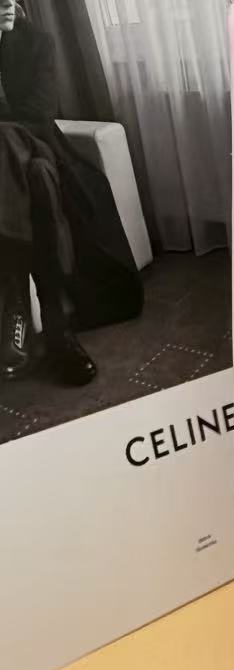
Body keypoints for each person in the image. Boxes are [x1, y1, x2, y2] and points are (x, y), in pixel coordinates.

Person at [0, 0, 142, 386]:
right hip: (27, 167)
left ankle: (14, 307)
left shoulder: (38, 42)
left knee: (24, 158)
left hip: (39, 147)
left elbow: (39, 114)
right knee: (37, 176)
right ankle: (58, 328)